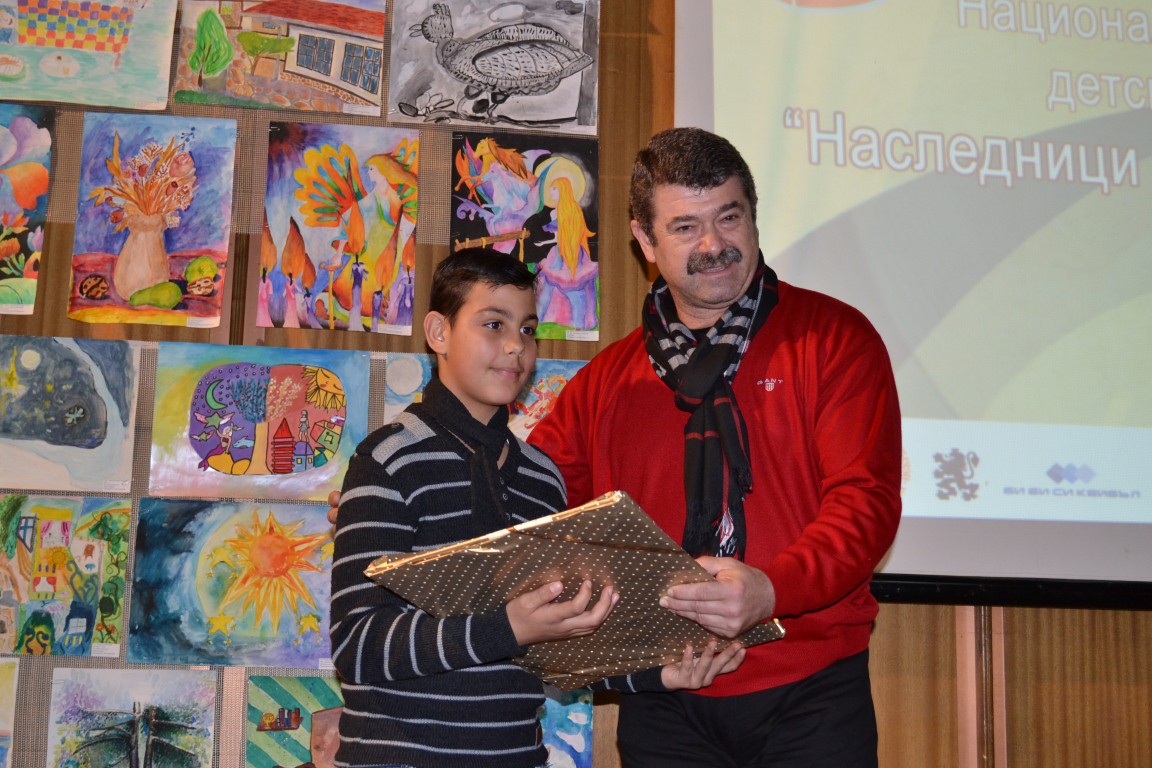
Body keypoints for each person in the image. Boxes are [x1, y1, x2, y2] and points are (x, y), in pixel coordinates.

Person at [524, 127, 902, 767]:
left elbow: (865, 502)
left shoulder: (835, 339)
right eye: (684, 227)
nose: (713, 245)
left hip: (812, 689)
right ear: (645, 241)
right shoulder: (603, 385)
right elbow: (535, 514)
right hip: (663, 698)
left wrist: (771, 591)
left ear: (753, 217)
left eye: (729, 217)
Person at [329, 246, 745, 768]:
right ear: (438, 333)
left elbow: (555, 641)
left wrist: (656, 673)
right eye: (493, 324)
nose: (515, 347)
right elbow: (358, 644)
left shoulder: (542, 476)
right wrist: (508, 628)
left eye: (527, 329)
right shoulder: (388, 459)